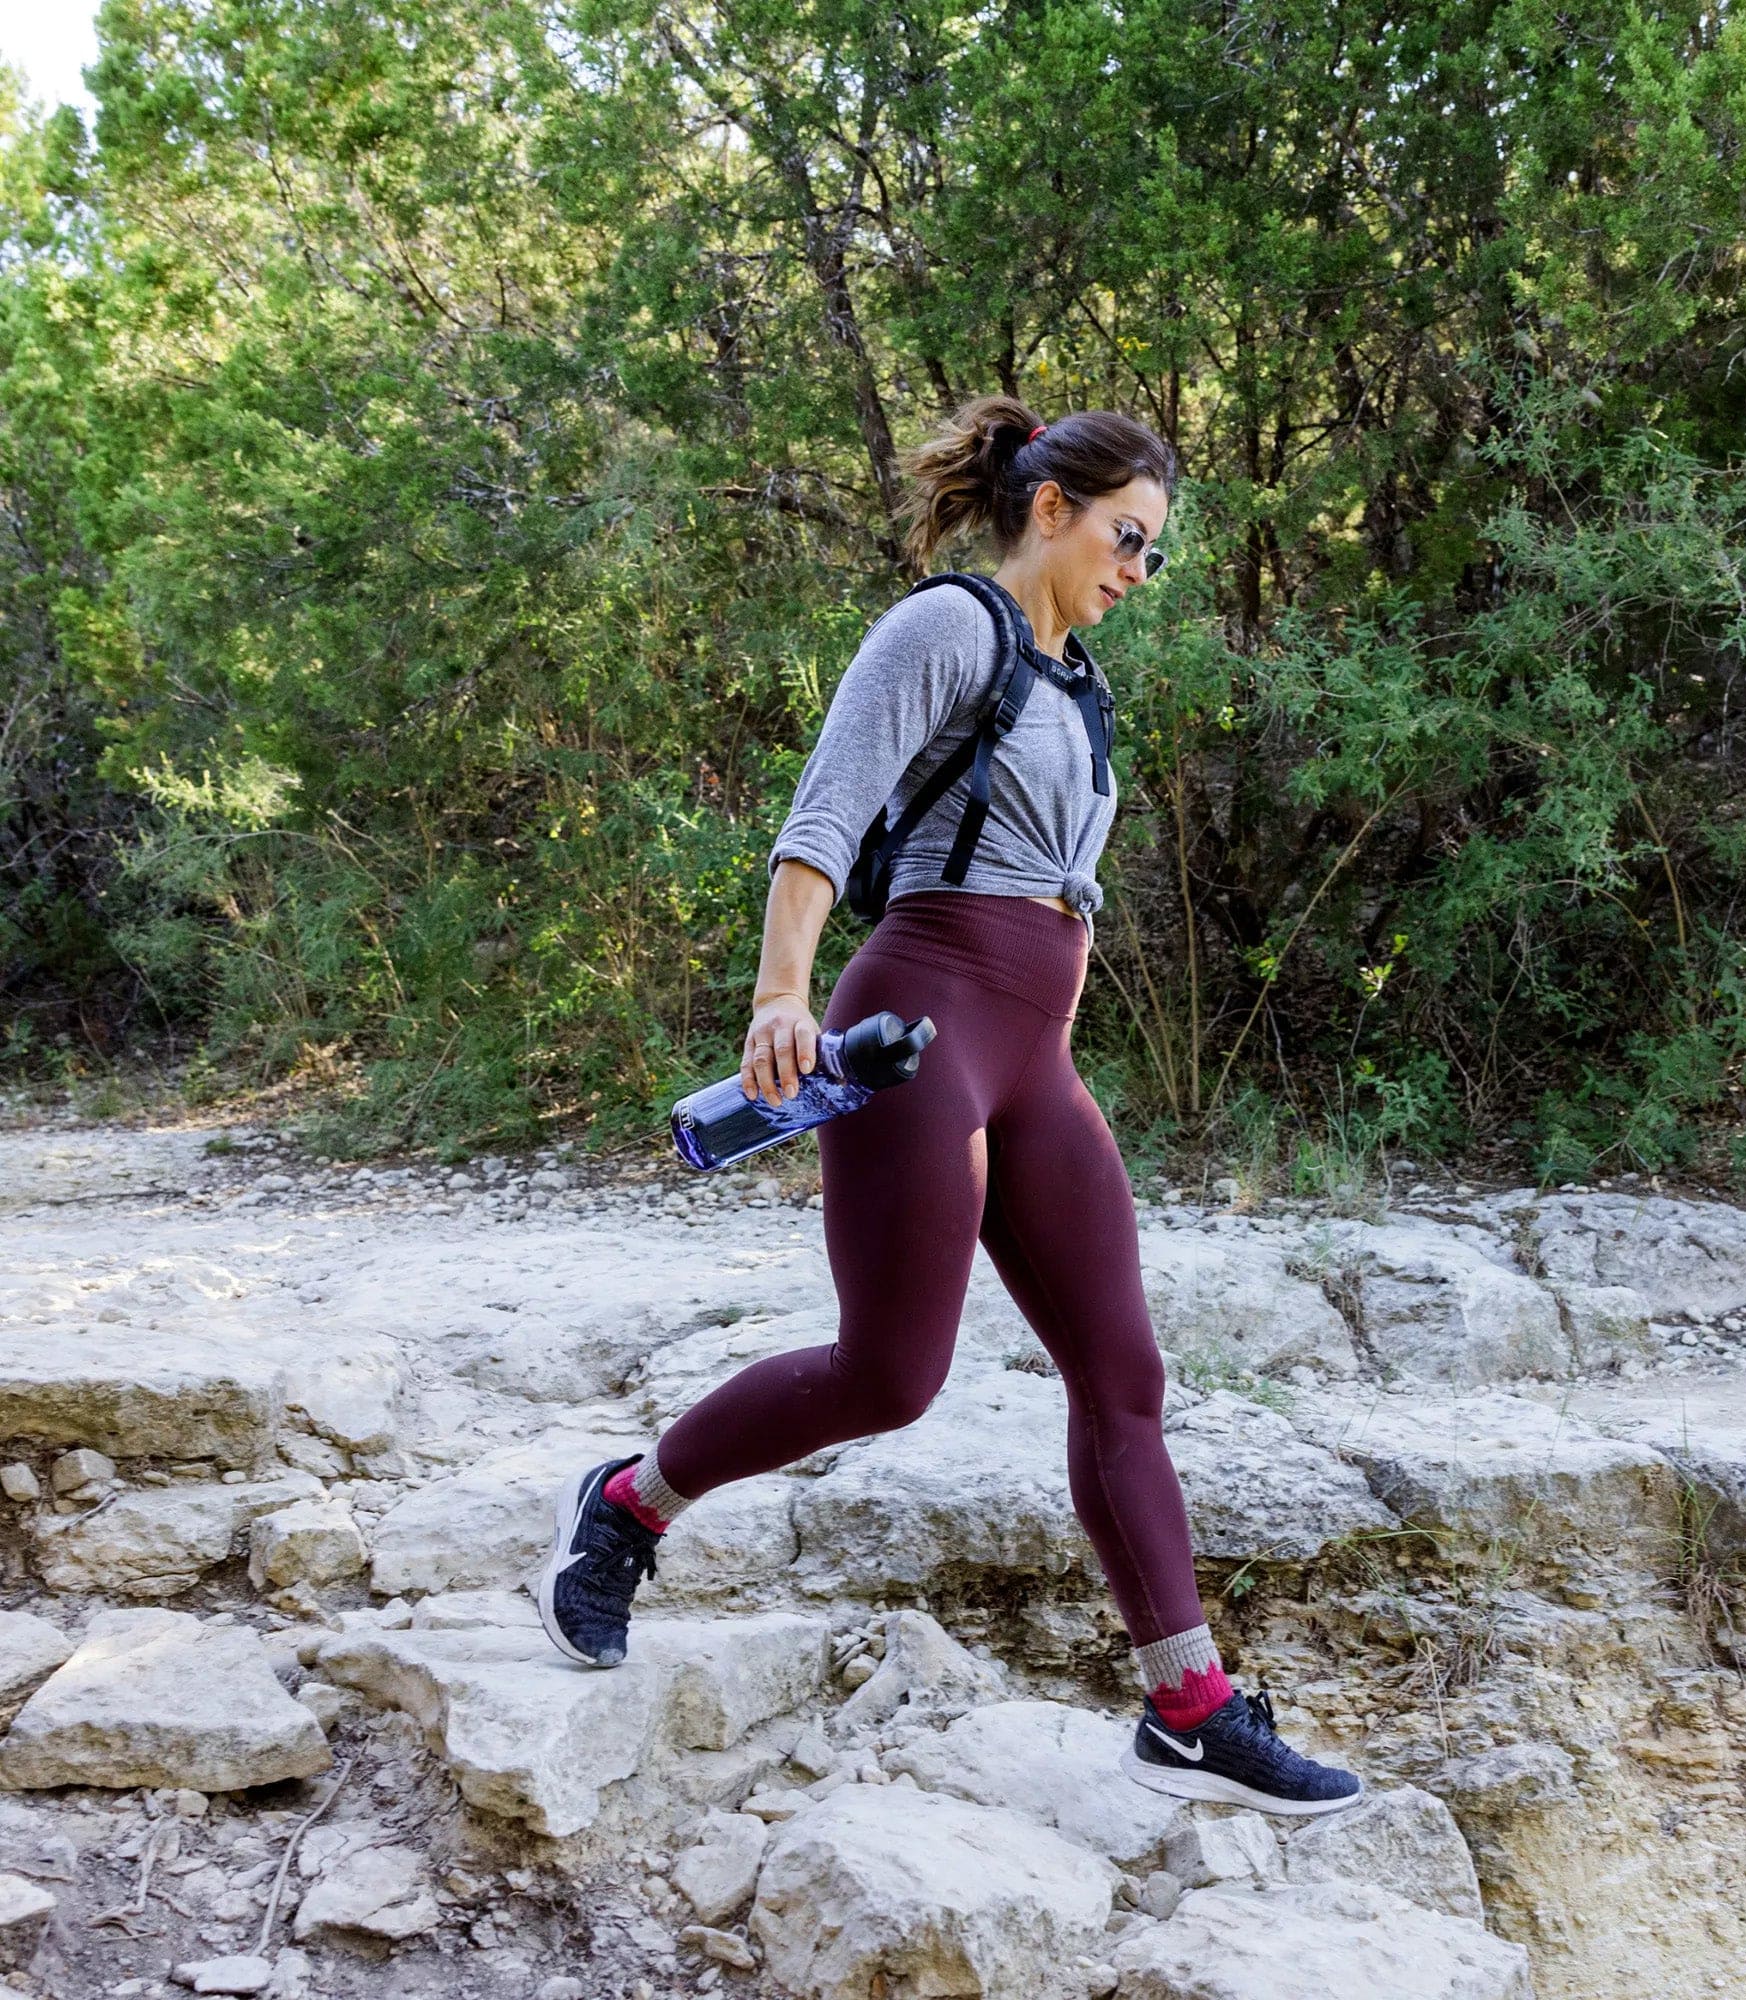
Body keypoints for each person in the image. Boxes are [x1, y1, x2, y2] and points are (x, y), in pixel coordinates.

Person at [537, 396, 1366, 1817]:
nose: (1138, 571)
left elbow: (1069, 889)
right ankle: (626, 1508)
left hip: (1033, 1050)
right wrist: (779, 999)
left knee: (1126, 1379)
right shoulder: (944, 632)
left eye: (1155, 553)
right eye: (1128, 537)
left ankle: (1189, 1707)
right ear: (1051, 508)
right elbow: (827, 810)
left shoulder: (1080, 681)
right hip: (917, 1018)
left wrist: (1052, 1025)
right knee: (891, 1376)